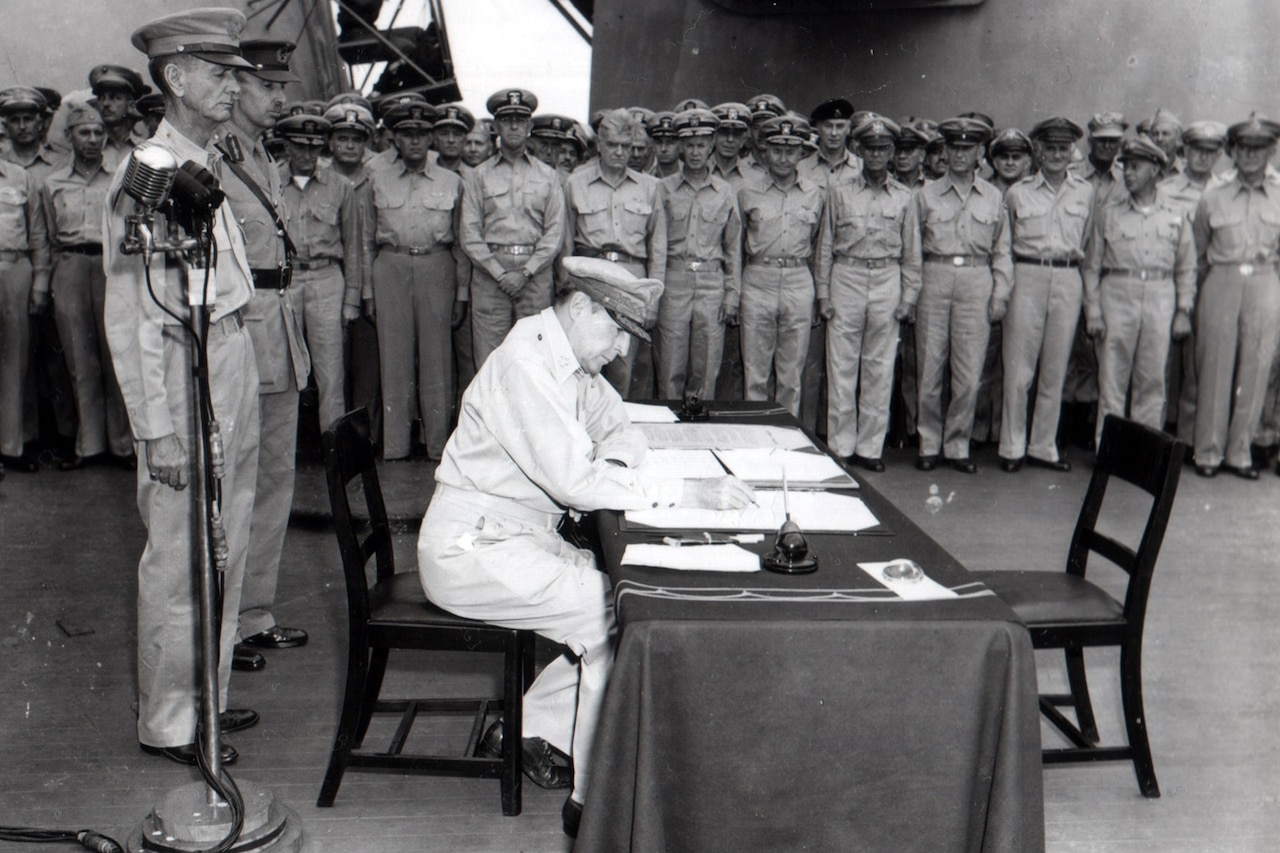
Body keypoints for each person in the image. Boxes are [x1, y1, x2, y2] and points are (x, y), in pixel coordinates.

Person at [417, 256, 755, 838]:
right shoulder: (527, 365)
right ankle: (593, 801)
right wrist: (686, 491)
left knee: (620, 605)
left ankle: (532, 728)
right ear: (580, 308)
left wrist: (611, 462)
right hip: (472, 548)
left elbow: (620, 428)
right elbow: (575, 484)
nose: (624, 349)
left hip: (519, 537)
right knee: (616, 615)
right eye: (618, 329)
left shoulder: (569, 360)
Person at [104, 6, 261, 765]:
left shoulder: (206, 161)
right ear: (174, 76)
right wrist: (155, 428)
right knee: (178, 552)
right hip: (180, 370)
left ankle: (209, 699)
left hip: (227, 355)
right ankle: (169, 722)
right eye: (220, 72)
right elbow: (131, 314)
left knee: (224, 540)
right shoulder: (151, 175)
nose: (234, 86)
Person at [211, 39, 312, 672]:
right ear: (235, 86)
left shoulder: (260, 157)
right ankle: (221, 628)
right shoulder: (214, 160)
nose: (279, 98)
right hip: (240, 335)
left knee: (273, 482)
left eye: (282, 87)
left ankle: (252, 617)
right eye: (267, 86)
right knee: (233, 489)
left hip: (277, 330)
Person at [359, 96, 465, 460]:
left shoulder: (453, 181)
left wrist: (462, 292)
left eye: (422, 133)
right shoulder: (377, 179)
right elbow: (365, 237)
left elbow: (462, 242)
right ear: (395, 139)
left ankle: (437, 446)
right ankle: (395, 447)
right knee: (394, 360)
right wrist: (368, 291)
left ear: (431, 137)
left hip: (437, 267)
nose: (415, 141)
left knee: (437, 359)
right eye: (407, 134)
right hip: (391, 267)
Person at [815, 115, 921, 471]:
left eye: (883, 149)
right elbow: (826, 246)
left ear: (892, 152)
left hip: (887, 278)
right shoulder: (840, 191)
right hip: (847, 275)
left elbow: (911, 253)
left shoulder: (905, 197)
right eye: (869, 148)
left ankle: (869, 449)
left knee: (879, 368)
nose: (876, 155)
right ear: (858, 150)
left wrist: (908, 298)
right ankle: (840, 446)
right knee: (842, 367)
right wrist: (824, 295)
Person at [36, 101, 133, 471]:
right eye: (84, 133)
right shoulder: (53, 183)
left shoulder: (119, 179)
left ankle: (123, 445)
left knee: (115, 355)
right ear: (70, 137)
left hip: (113, 268)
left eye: (98, 133)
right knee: (78, 359)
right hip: (70, 265)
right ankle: (89, 445)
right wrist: (45, 283)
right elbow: (46, 235)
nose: (92, 140)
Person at [1082, 135, 1196, 449]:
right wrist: (1093, 310)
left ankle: (1144, 454)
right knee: (1112, 378)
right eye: (1126, 167)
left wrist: (1183, 310)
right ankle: (1109, 450)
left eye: (1135, 167)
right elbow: (1091, 266)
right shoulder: (1110, 213)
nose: (1128, 173)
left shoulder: (1175, 214)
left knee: (1152, 380)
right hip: (1117, 293)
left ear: (1155, 171)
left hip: (1161, 295)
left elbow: (1186, 266)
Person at [913, 116, 1013, 473]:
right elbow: (912, 248)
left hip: (976, 278)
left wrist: (1001, 291)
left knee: (969, 372)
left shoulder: (993, 196)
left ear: (979, 153)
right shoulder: (925, 195)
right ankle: (927, 442)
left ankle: (957, 445)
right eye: (953, 147)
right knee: (930, 366)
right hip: (934, 276)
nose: (958, 155)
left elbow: (1002, 249)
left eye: (967, 148)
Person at [997, 116, 1094, 472]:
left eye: (1063, 148)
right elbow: (1004, 246)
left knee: (1055, 367)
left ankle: (1042, 446)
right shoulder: (1017, 192)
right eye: (1049, 147)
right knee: (1019, 369)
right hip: (1027, 274)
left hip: (1067, 277)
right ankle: (1012, 447)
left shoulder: (1085, 192)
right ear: (1037, 150)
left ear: (1072, 151)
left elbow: (1087, 243)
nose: (1056, 154)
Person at [1190, 114, 1280, 479]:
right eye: (1244, 149)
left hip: (1263, 282)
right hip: (1221, 280)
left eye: (1258, 149)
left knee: (1256, 369)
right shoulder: (1213, 196)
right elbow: (1196, 251)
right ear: (1232, 152)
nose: (1251, 156)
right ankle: (1208, 452)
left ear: (1271, 151)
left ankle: (1240, 452)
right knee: (1214, 365)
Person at [564, 108, 667, 398]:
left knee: (622, 367)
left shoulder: (650, 188)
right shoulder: (576, 183)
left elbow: (657, 249)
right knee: (583, 365)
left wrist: (652, 302)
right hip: (588, 281)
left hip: (630, 283)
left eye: (627, 146)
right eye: (612, 145)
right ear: (599, 144)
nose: (620, 152)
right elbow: (565, 244)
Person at [460, 88, 565, 370]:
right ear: (496, 127)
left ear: (530, 127)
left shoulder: (548, 176)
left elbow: (554, 234)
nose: (514, 126)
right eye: (507, 120)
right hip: (490, 278)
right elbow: (470, 235)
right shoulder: (477, 176)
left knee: (535, 363)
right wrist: (500, 273)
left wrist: (526, 271)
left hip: (535, 278)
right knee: (490, 362)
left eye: (520, 120)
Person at [277, 113, 361, 434]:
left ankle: (333, 450)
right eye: (299, 147)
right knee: (285, 368)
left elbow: (353, 246)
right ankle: (287, 447)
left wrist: (351, 298)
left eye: (314, 148)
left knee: (330, 371)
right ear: (286, 145)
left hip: (327, 280)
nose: (307, 156)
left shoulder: (340, 186)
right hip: (287, 280)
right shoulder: (271, 180)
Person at [737, 114, 825, 417]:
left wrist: (816, 291)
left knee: (791, 371)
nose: (783, 158)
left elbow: (818, 245)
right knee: (756, 369)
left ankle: (787, 434)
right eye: (777, 150)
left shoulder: (815, 193)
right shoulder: (747, 191)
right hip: (758, 278)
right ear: (765, 150)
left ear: (801, 152)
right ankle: (757, 437)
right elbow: (735, 246)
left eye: (791, 151)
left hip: (799, 279)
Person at [656, 108, 742, 401]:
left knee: (705, 367)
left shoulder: (725, 191)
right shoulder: (663, 189)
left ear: (711, 146)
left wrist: (732, 294)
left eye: (702, 145)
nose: (695, 152)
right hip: (674, 280)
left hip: (710, 283)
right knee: (670, 364)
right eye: (689, 145)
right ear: (681, 147)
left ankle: (699, 431)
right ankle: (669, 433)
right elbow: (656, 243)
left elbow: (732, 248)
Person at [1162, 120, 1226, 449]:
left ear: (1218, 155)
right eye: (1196, 150)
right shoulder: (1167, 189)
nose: (1202, 157)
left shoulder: (1224, 190)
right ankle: (1158, 434)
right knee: (1161, 362)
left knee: (1198, 362)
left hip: (1208, 281)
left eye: (1210, 151)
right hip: (1166, 280)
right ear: (1184, 150)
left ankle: (1187, 438)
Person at [0, 89, 51, 475]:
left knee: (16, 361)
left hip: (15, 270)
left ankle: (12, 446)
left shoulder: (20, 178)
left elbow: (37, 236)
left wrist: (38, 283)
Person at [973, 127, 1034, 447]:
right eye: (1003, 156)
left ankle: (1003, 432)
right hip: (988, 280)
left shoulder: (1032, 191)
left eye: (1017, 156)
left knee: (1017, 362)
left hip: (1024, 280)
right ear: (992, 160)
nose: (1010, 163)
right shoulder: (982, 190)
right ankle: (979, 431)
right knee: (984, 359)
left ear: (1027, 160)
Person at [88, 64, 150, 171]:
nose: (106, 103)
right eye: (101, 98)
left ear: (130, 105)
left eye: (115, 97)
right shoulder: (89, 148)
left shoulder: (146, 150)